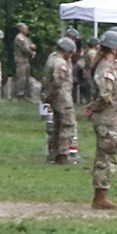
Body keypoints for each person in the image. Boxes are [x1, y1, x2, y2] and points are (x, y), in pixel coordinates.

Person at [86, 28, 117, 210]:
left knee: (107, 155)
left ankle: (102, 195)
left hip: (110, 117)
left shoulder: (106, 66)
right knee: (106, 157)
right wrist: (94, 107)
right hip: (107, 118)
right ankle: (100, 197)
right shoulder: (106, 67)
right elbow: (105, 95)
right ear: (114, 49)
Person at [44, 35, 78, 165]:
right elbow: (58, 82)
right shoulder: (60, 63)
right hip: (62, 97)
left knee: (57, 125)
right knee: (68, 124)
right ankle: (63, 154)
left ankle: (53, 152)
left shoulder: (51, 59)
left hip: (56, 97)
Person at [10, 23, 36, 101]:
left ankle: (25, 94)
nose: (27, 30)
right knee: (21, 78)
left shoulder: (25, 38)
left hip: (26, 60)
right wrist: (31, 52)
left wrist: (31, 47)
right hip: (20, 61)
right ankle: (19, 94)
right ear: (21, 29)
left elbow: (32, 45)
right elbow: (25, 48)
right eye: (25, 28)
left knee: (26, 78)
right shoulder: (19, 38)